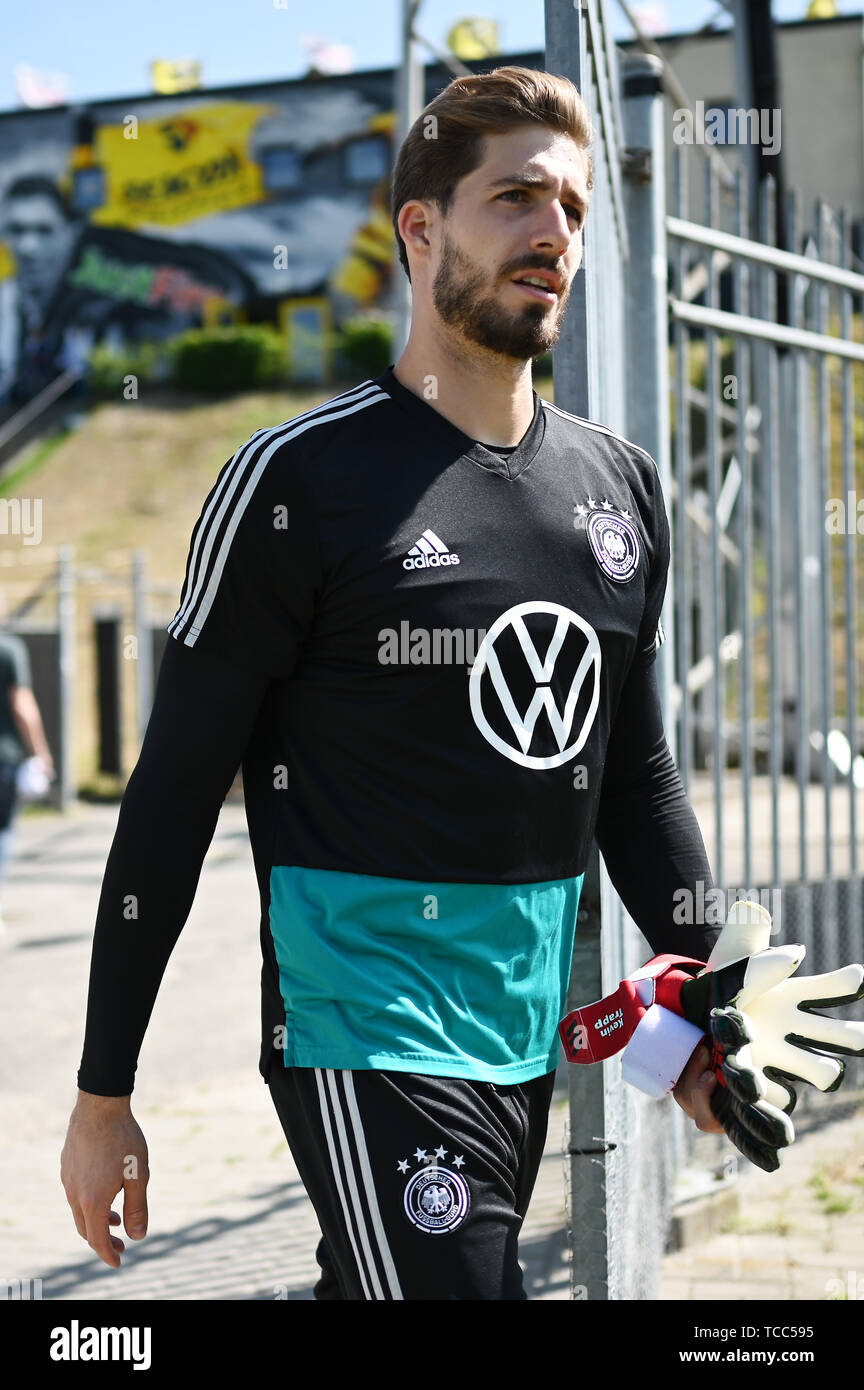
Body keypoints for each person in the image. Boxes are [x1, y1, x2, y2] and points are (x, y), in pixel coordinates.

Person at [61, 65, 725, 1300]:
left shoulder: (620, 489)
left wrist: (700, 1007)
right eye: (515, 197)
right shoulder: (297, 483)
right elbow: (171, 791)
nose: (553, 233)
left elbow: (629, 774)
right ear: (419, 230)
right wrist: (107, 1090)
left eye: (573, 208)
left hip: (522, 1027)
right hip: (358, 1017)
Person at [0, 615, 54, 932]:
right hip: (3, 758)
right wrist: (41, 752)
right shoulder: (9, 648)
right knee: (2, 832)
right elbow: (22, 703)